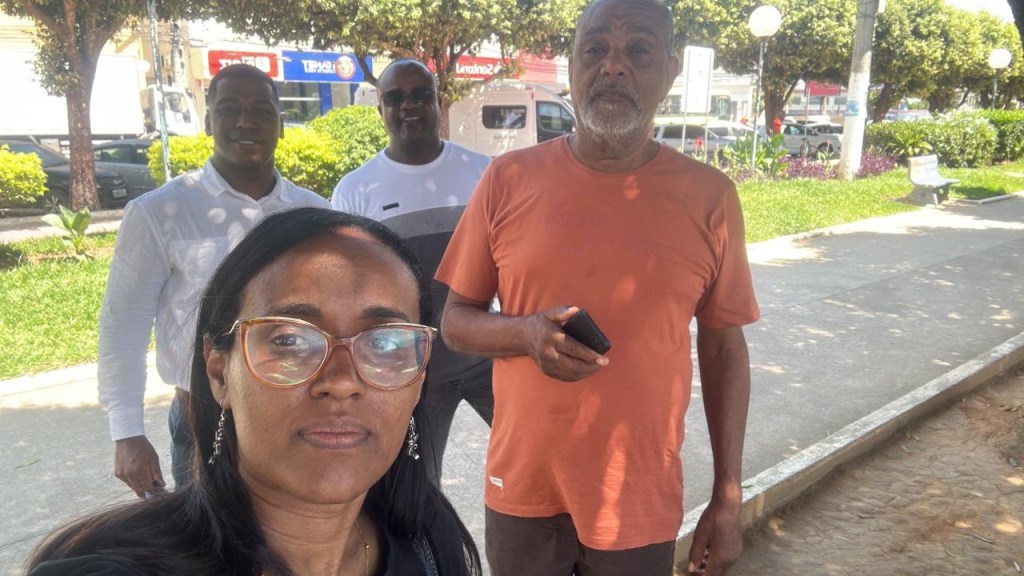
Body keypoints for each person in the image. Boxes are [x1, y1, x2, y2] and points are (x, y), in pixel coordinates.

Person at [434, 0, 760, 575]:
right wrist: (525, 335)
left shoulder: (710, 197)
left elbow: (724, 350)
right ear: (572, 64)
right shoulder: (507, 180)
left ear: (670, 71)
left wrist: (727, 496)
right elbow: (455, 322)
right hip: (522, 490)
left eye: (638, 50)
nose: (613, 66)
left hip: (636, 497)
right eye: (595, 49)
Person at [26, 207, 483, 576]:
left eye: (385, 342)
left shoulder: (428, 539)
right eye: (290, 340)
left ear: (418, 380)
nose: (342, 381)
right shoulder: (112, 568)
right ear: (219, 373)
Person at [97, 63, 330, 498]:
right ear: (208, 122)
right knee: (210, 535)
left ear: (281, 124)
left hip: (299, 407)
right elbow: (123, 323)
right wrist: (126, 432)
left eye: (261, 110)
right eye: (229, 109)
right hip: (203, 417)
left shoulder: (314, 213)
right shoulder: (160, 213)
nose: (245, 121)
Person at [331, 59, 494, 486]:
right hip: (411, 370)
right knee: (418, 488)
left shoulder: (484, 173)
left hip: (488, 358)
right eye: (395, 98)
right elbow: (351, 288)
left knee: (533, 457)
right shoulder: (355, 191)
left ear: (439, 101)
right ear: (380, 109)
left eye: (421, 95)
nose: (409, 105)